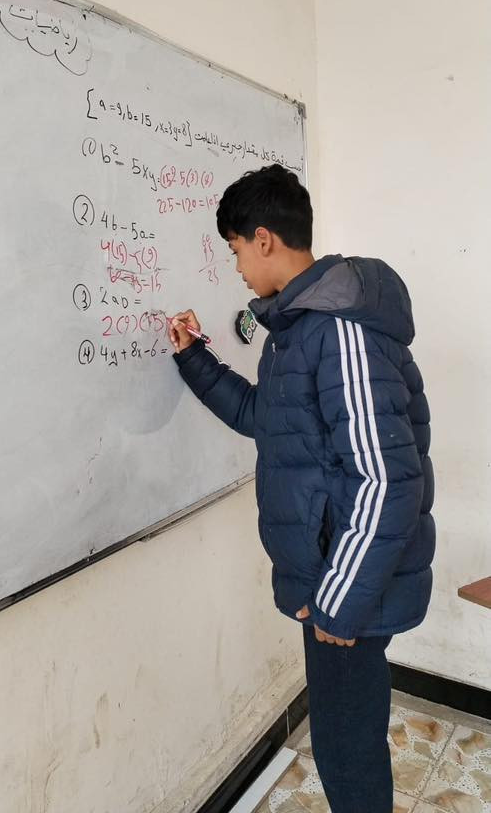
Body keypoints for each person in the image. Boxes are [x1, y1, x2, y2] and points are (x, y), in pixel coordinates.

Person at [170, 164, 435, 813]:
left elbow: (384, 481)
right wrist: (194, 358)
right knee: (346, 746)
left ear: (264, 239)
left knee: (348, 754)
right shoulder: (298, 332)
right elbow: (266, 419)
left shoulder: (339, 330)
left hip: (348, 593)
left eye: (235, 249)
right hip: (335, 585)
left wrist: (339, 603)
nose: (236, 268)